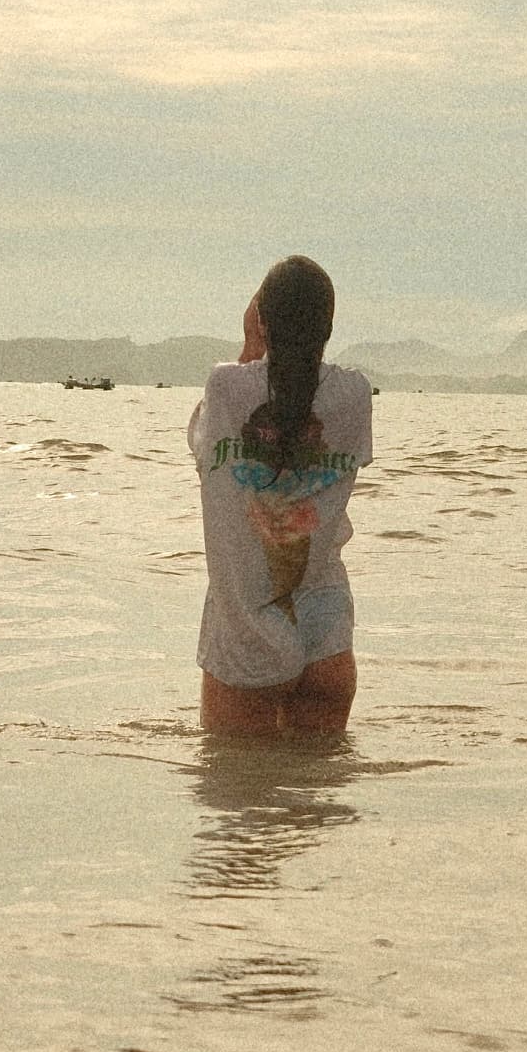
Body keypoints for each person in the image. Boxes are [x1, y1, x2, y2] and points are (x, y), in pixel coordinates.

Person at [188, 255, 373, 736]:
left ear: (263, 322)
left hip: (247, 642)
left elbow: (200, 448)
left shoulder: (227, 385)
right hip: (327, 638)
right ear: (329, 326)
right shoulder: (354, 393)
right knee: (313, 800)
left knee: (239, 795)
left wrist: (252, 346)